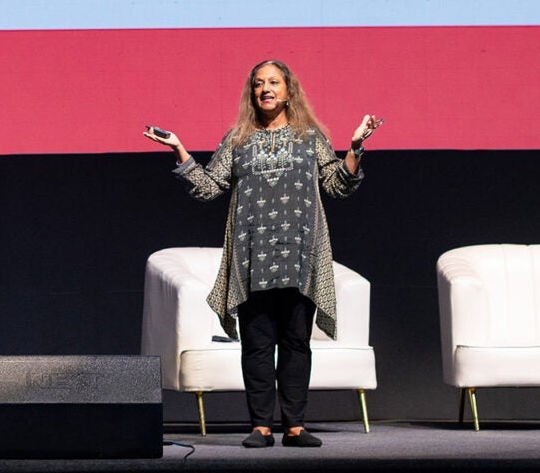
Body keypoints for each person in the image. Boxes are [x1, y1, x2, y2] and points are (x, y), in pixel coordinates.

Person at [144, 59, 379, 448]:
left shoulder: (310, 137)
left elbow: (338, 185)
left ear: (289, 91)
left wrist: (355, 147)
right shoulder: (237, 139)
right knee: (256, 344)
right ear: (252, 93)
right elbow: (208, 186)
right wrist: (179, 150)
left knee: (295, 343)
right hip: (253, 258)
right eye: (258, 84)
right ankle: (261, 426)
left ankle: (295, 426)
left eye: (273, 82)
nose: (265, 89)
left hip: (300, 257)